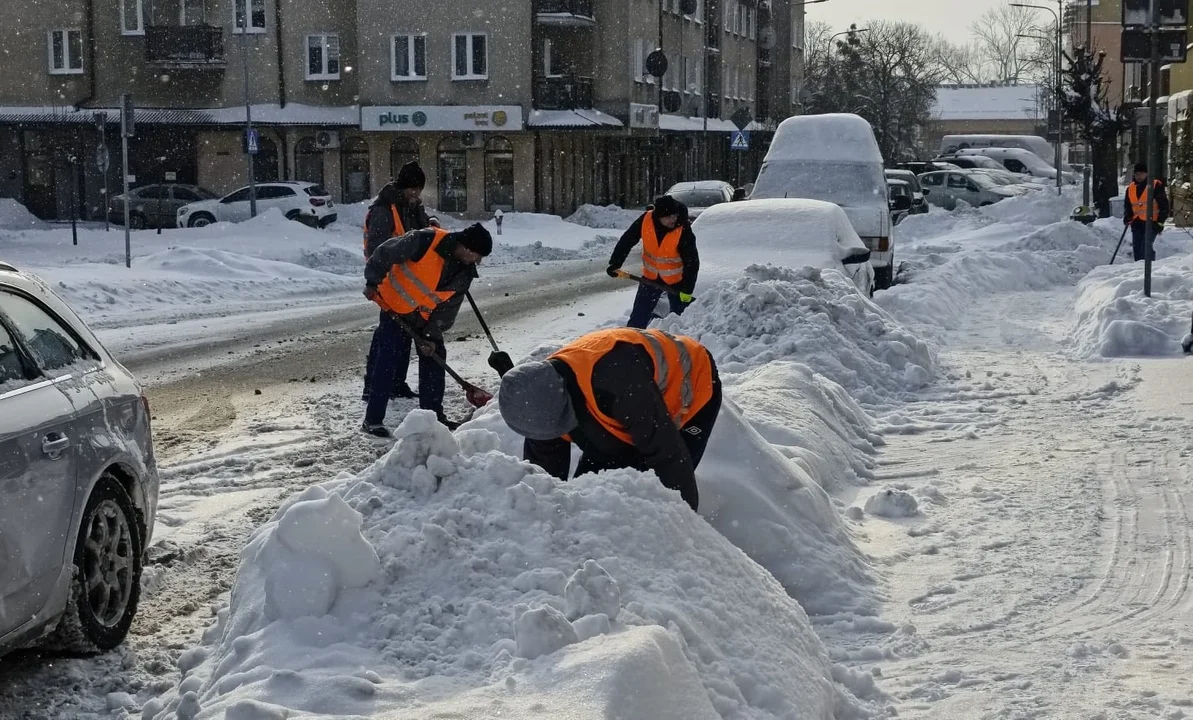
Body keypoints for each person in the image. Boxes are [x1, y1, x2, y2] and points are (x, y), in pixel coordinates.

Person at [498, 328, 722, 512]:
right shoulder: (538, 395)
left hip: (692, 388)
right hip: (619, 406)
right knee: (593, 498)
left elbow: (668, 455)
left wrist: (683, 524)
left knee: (657, 494)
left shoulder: (619, 381)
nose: (555, 434)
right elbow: (545, 477)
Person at [362, 223, 493, 437]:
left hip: (423, 319)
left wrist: (431, 336)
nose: (478, 262)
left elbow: (447, 309)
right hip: (394, 306)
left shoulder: (464, 273)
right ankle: (373, 419)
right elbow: (385, 252)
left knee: (435, 356)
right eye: (477, 256)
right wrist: (372, 280)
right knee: (388, 360)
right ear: (466, 247)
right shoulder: (425, 240)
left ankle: (433, 417)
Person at [362, 162, 441, 401]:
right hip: (386, 277)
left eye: (419, 189)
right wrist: (376, 277)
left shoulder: (411, 207)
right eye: (412, 189)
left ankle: (397, 382)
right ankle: (372, 385)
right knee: (387, 335)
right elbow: (378, 247)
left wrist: (431, 223)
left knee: (404, 332)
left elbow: (421, 232)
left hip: (406, 279)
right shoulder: (383, 210)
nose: (415, 194)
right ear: (402, 186)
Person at [606, 195, 699, 329]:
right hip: (650, 278)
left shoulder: (682, 229)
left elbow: (692, 261)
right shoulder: (646, 220)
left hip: (676, 282)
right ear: (659, 217)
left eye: (675, 215)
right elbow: (627, 240)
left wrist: (687, 288)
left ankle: (681, 344)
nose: (673, 220)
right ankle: (632, 342)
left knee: (680, 320)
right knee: (639, 317)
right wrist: (615, 263)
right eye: (669, 217)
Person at [1124, 161, 1168, 263]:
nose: (1139, 176)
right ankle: (1139, 271)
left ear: (1147, 174)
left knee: (1146, 248)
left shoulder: (1155, 185)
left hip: (1152, 223)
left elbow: (1164, 205)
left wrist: (1160, 222)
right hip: (1136, 223)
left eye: (1142, 173)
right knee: (1138, 250)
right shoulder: (1130, 188)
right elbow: (1128, 205)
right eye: (1137, 174)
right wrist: (1127, 216)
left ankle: (1149, 269)